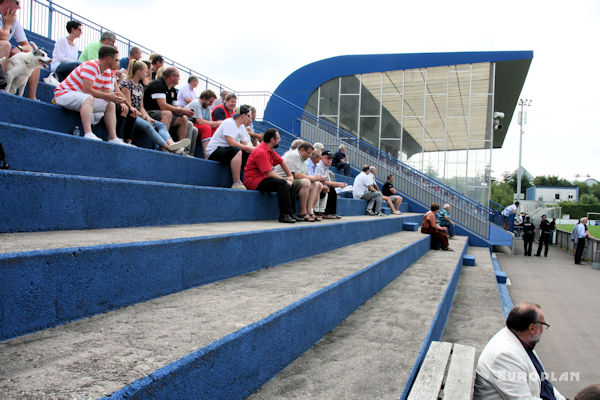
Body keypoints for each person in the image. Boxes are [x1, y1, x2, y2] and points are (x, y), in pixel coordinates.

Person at [474, 302, 566, 400]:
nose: (544, 329)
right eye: (543, 324)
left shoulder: (522, 341)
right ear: (532, 329)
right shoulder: (505, 355)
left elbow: (544, 383)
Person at [53, 45, 127, 144]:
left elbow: (106, 93)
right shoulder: (91, 65)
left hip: (82, 98)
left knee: (110, 104)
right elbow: (88, 90)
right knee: (89, 98)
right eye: (116, 60)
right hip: (64, 94)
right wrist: (110, 96)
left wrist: (118, 100)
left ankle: (113, 137)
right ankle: (88, 133)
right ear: (108, 59)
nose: (118, 63)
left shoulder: (107, 71)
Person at [119, 60, 190, 152]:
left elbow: (141, 107)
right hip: (131, 115)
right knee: (149, 126)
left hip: (140, 114)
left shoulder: (140, 87)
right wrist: (144, 117)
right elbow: (130, 107)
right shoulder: (126, 84)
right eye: (145, 71)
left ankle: (172, 143)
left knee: (161, 126)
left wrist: (148, 117)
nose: (147, 73)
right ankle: (168, 148)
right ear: (138, 71)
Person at [244, 128, 297, 223]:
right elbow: (269, 173)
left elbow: (282, 161)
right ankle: (284, 215)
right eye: (278, 138)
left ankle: (291, 213)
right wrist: (286, 180)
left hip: (263, 179)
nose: (279, 140)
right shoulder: (261, 151)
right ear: (273, 140)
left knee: (291, 184)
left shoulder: (269, 149)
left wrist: (290, 176)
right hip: (254, 181)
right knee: (283, 184)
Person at [205, 105, 254, 189]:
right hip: (214, 151)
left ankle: (248, 181)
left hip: (226, 151)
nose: (250, 119)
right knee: (237, 151)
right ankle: (236, 182)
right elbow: (231, 143)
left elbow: (245, 145)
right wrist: (249, 148)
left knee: (248, 155)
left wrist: (254, 151)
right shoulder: (229, 122)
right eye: (248, 116)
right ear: (243, 115)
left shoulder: (242, 127)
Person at [0, 0, 42, 99]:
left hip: (3, 54)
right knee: (6, 45)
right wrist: (8, 25)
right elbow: (2, 37)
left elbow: (27, 46)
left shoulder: (13, 20)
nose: (19, 7)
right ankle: (2, 86)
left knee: (35, 58)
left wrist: (20, 48)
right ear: (7, 1)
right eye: (17, 3)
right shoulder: (10, 21)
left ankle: (32, 96)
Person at [142, 67, 194, 142]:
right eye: (178, 76)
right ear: (172, 77)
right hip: (149, 113)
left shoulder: (172, 90)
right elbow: (162, 106)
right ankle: (163, 144)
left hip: (162, 114)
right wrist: (182, 110)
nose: (179, 79)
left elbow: (176, 108)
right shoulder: (158, 85)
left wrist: (184, 112)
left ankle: (181, 148)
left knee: (184, 119)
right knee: (168, 114)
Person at [274, 141, 323, 222]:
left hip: (294, 181)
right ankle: (302, 212)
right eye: (308, 153)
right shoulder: (294, 155)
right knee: (306, 182)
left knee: (317, 184)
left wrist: (315, 178)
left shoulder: (303, 159)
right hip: (283, 180)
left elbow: (306, 175)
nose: (310, 156)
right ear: (302, 150)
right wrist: (314, 178)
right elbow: (296, 175)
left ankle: (309, 211)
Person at [186, 89, 221, 158]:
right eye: (210, 101)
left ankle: (215, 152)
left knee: (214, 128)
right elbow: (199, 121)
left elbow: (211, 123)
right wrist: (217, 122)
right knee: (206, 128)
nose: (211, 104)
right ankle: (206, 155)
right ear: (204, 98)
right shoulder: (196, 104)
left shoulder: (207, 107)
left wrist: (217, 124)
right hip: (189, 123)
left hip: (197, 125)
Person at [317, 150, 345, 219]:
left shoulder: (326, 167)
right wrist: (338, 184)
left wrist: (339, 184)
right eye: (328, 158)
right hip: (317, 185)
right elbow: (322, 181)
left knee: (332, 189)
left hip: (321, 184)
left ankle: (332, 212)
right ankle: (325, 213)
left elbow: (328, 181)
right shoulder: (319, 166)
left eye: (331, 159)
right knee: (329, 189)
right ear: (322, 158)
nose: (330, 160)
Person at [306, 149, 329, 218]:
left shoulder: (315, 165)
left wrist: (320, 179)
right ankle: (313, 210)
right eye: (320, 158)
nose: (320, 160)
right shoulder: (307, 163)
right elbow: (310, 177)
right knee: (318, 185)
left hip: (312, 182)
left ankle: (319, 211)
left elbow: (315, 177)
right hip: (307, 182)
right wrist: (319, 179)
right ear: (316, 157)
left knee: (325, 187)